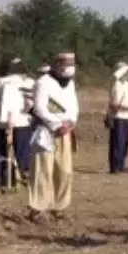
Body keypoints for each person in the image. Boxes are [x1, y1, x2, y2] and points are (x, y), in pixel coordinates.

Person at [28, 52, 79, 222]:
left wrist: (71, 122)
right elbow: (39, 109)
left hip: (66, 131)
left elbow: (73, 105)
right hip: (46, 132)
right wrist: (56, 126)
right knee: (42, 171)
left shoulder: (70, 83)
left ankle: (60, 206)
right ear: (56, 66)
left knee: (64, 171)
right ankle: (38, 208)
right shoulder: (43, 83)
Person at [0, 58, 35, 184]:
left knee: (4, 151)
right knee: (22, 152)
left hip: (4, 122)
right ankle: (21, 174)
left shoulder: (1, 82)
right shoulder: (30, 82)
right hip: (23, 122)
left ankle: (6, 176)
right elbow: (31, 103)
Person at [106, 62, 128, 174]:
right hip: (119, 117)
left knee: (126, 142)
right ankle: (115, 167)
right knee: (118, 143)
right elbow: (115, 104)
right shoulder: (117, 85)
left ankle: (121, 165)